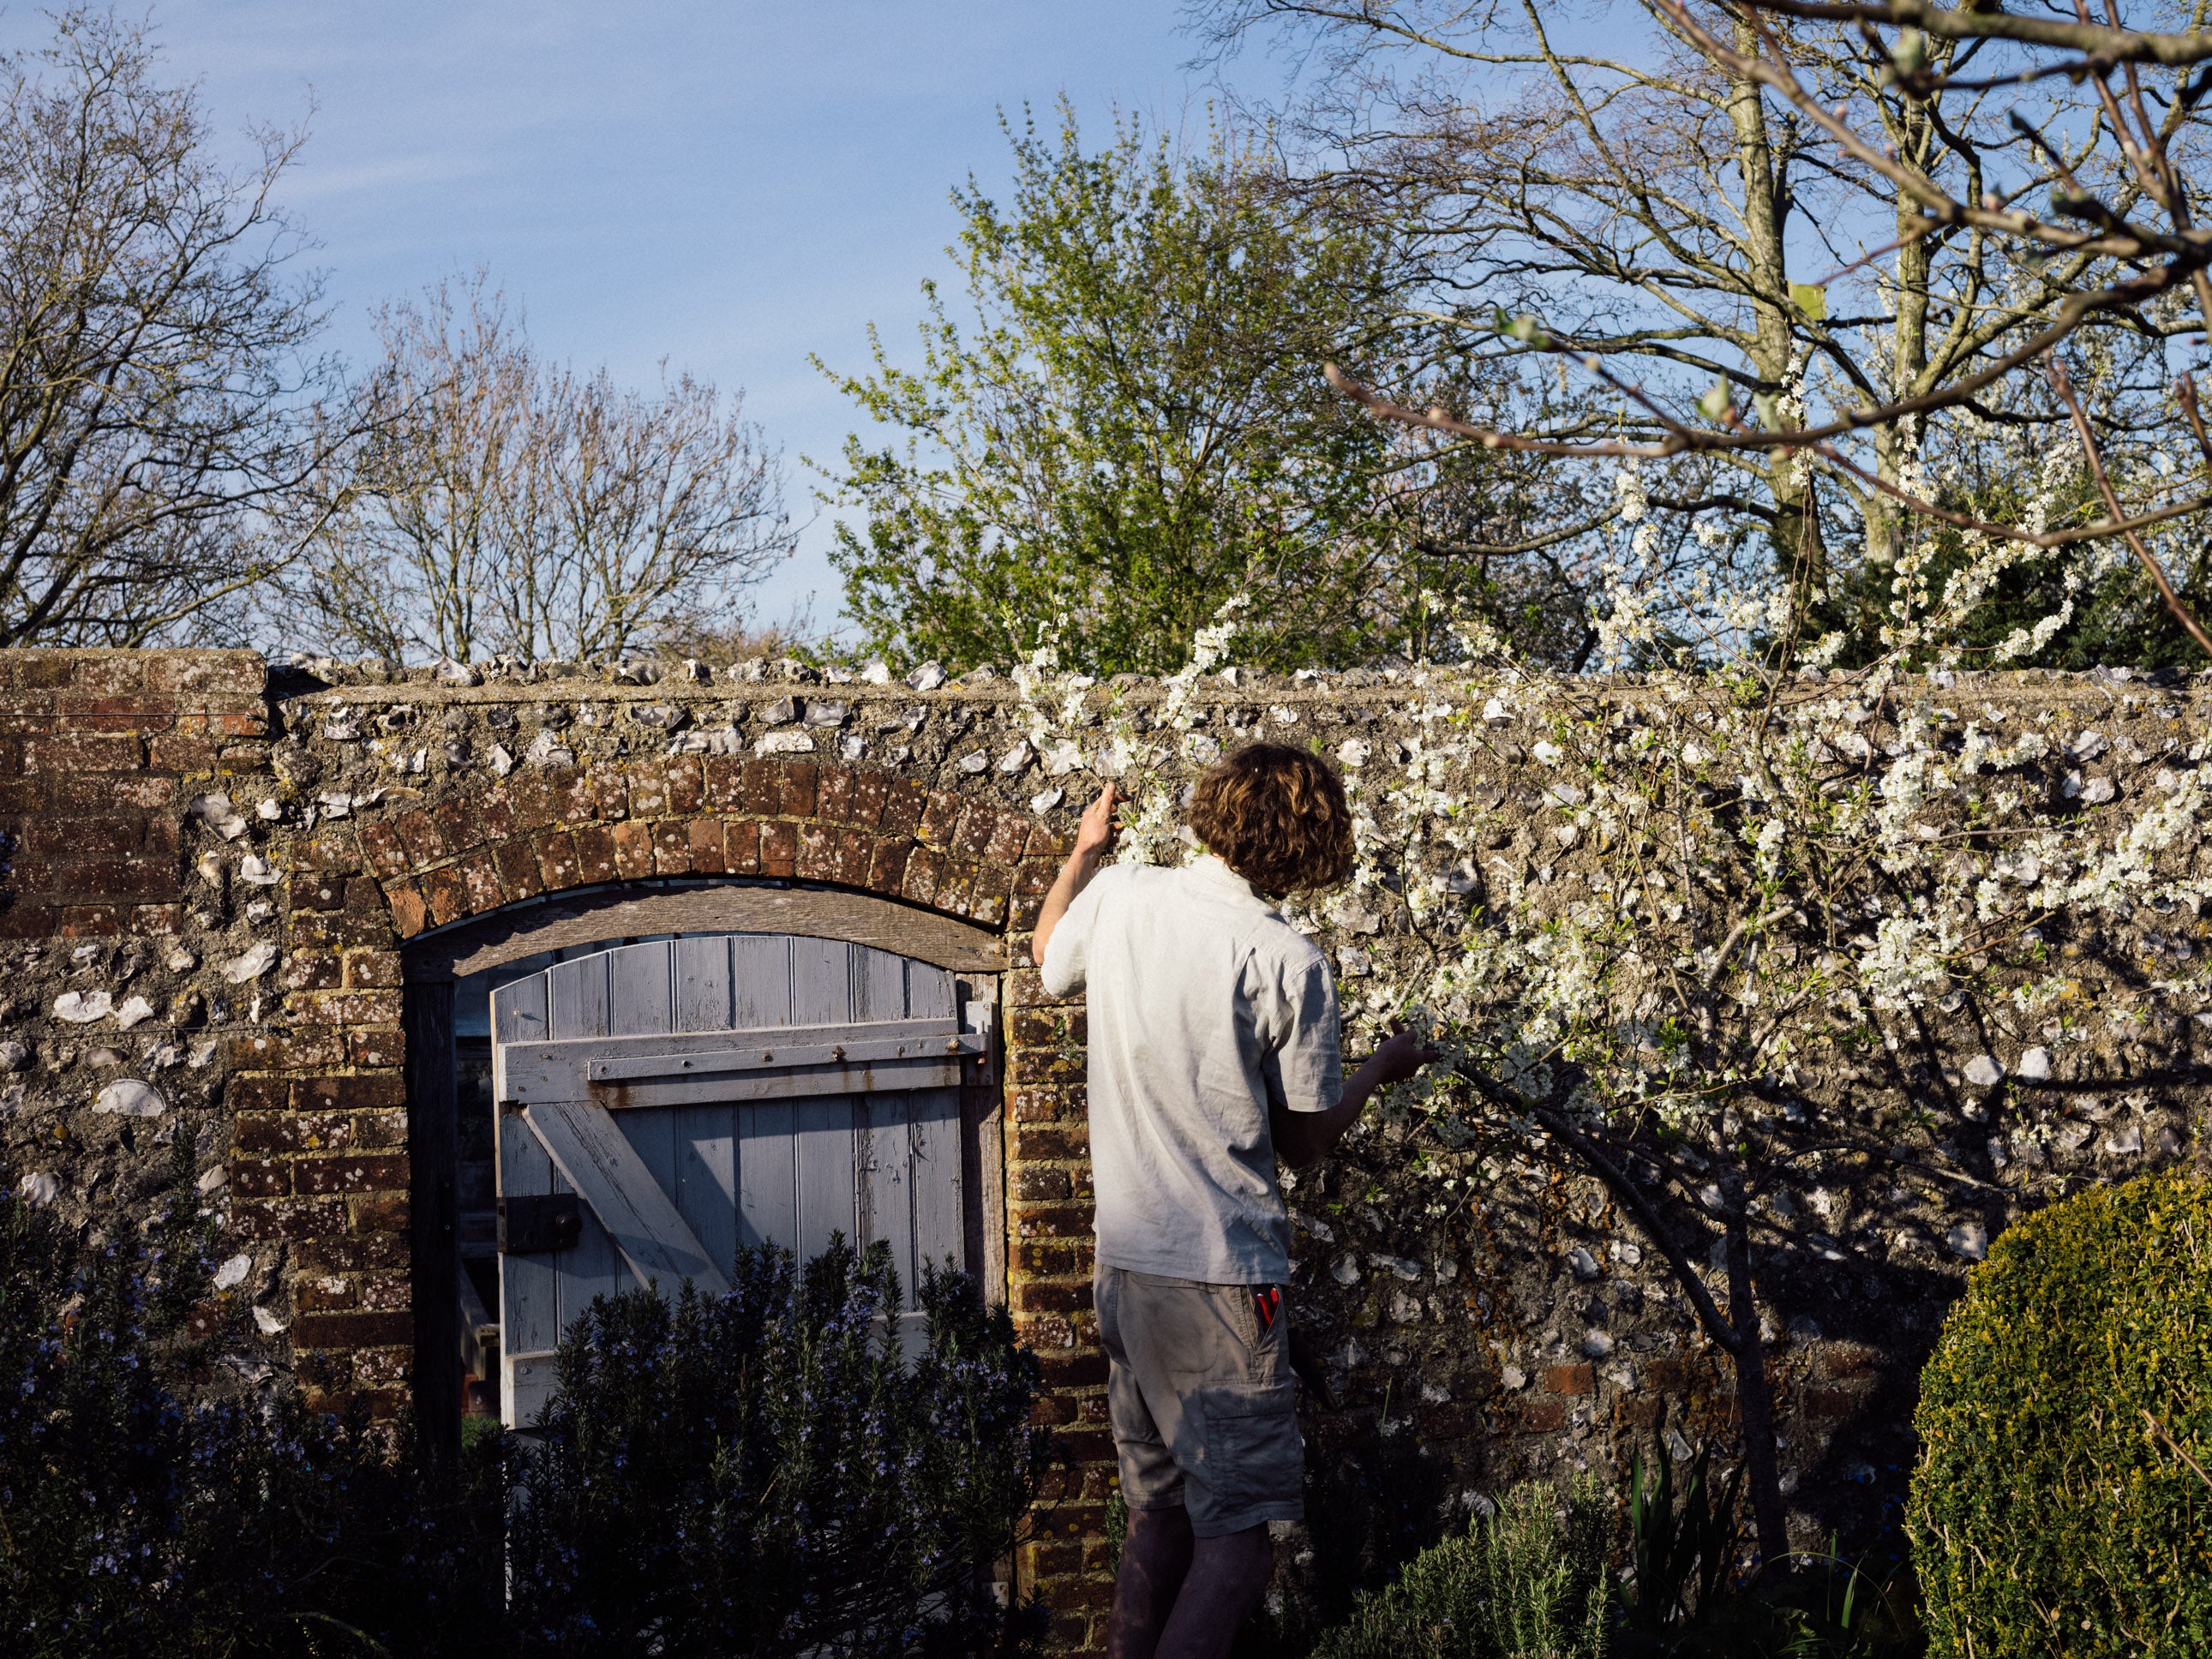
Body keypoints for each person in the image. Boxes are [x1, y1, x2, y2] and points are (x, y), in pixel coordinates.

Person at [1032, 744, 1435, 1659]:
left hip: (1126, 1271)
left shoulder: (1127, 891)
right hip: (1218, 1282)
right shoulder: (1284, 955)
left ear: (1214, 808)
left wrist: (1084, 851)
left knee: (1158, 1517)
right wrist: (1383, 1066)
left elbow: (1047, 958)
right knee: (1240, 1543)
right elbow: (1300, 1141)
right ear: (1310, 843)